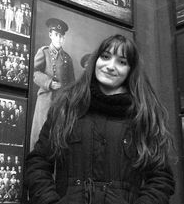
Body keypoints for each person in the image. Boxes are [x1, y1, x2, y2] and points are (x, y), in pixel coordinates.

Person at [25, 34, 175, 204]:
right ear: (96, 60)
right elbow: (38, 163)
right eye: (105, 57)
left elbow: (161, 178)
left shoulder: (144, 115)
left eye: (122, 62)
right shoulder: (67, 107)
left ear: (130, 70)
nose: (110, 66)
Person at [29, 18, 75, 149]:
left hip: (62, 101)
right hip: (46, 100)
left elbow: (71, 82)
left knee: (59, 133)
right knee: (42, 132)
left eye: (61, 36)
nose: (59, 38)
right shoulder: (44, 52)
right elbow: (34, 72)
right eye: (56, 35)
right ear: (50, 35)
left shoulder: (67, 58)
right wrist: (49, 83)